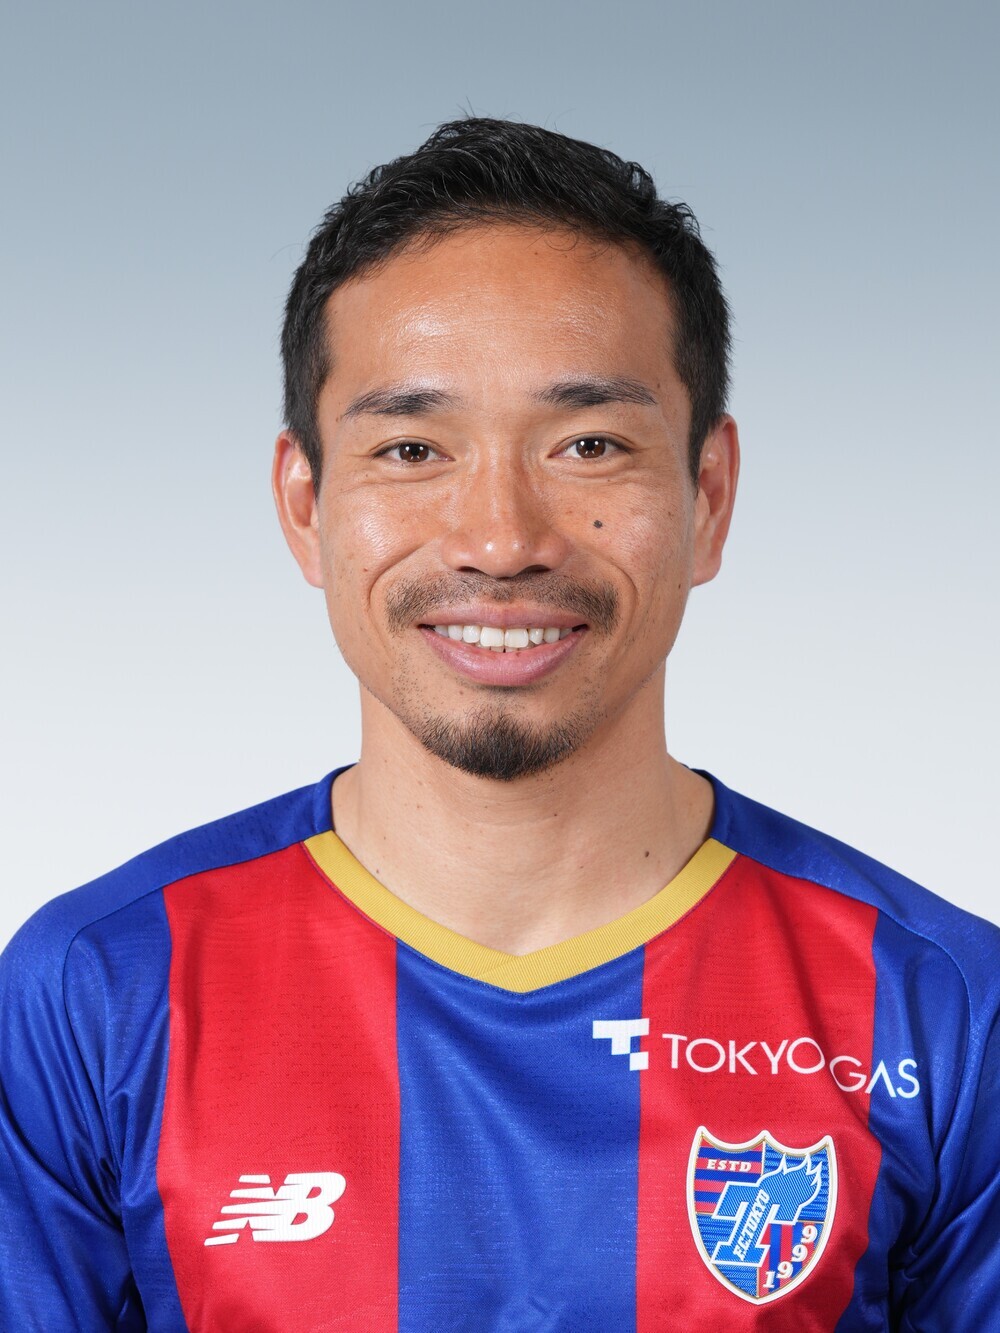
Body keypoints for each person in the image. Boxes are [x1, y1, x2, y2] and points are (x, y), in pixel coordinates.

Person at [1, 116, 997, 1332]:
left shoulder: (939, 1006)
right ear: (305, 505)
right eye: (412, 447)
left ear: (708, 496)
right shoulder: (99, 989)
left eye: (588, 445)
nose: (499, 538)